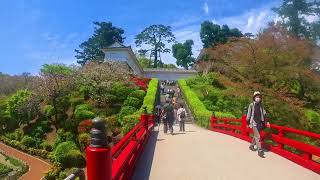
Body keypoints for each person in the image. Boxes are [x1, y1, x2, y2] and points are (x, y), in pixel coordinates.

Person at [246, 91, 270, 158]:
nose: (258, 98)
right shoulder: (251, 105)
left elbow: (264, 114)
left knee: (256, 136)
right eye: (256, 97)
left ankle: (251, 145)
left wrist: (267, 121)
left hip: (260, 123)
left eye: (259, 97)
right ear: (254, 98)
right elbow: (248, 114)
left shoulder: (261, 105)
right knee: (258, 136)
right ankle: (260, 151)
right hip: (254, 123)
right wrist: (247, 123)